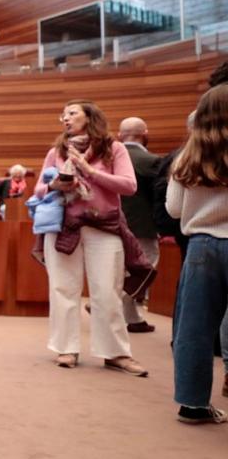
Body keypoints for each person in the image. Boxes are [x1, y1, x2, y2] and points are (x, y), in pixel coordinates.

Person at [34, 100, 148, 376]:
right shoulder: (56, 152)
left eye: (72, 112)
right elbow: (39, 189)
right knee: (62, 289)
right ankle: (66, 348)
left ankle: (115, 353)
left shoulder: (114, 148)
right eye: (63, 114)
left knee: (107, 291)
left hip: (104, 226)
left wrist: (90, 171)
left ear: (90, 117)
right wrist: (53, 185)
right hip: (64, 226)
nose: (66, 117)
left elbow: (129, 186)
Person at [166, 84, 228, 424]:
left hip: (201, 246)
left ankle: (192, 404)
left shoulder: (186, 156)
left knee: (195, 327)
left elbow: (174, 210)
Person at [117, 116, 163, 333]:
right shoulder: (152, 161)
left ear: (120, 135)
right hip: (142, 225)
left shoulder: (107, 158)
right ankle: (112, 301)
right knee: (146, 268)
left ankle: (133, 318)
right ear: (145, 134)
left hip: (111, 223)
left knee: (121, 271)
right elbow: (160, 197)